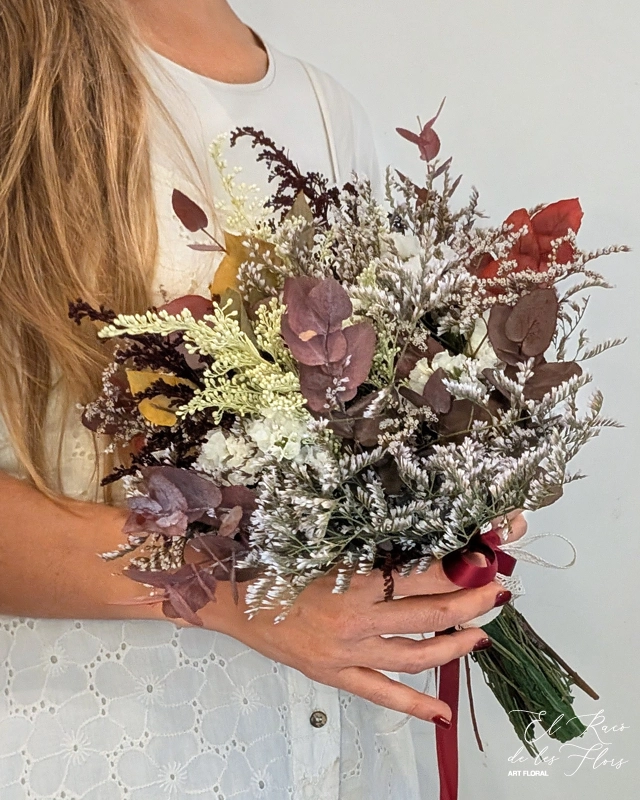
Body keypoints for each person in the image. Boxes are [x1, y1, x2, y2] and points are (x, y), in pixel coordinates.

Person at [0, 1, 526, 797]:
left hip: (329, 747)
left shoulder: (325, 107)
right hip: (106, 746)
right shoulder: (24, 73)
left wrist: (447, 490)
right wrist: (233, 596)